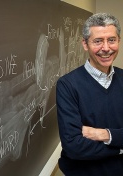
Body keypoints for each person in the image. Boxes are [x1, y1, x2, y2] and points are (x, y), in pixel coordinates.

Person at [56, 12, 123, 176]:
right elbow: (73, 146)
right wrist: (120, 147)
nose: (106, 48)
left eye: (111, 40)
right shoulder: (67, 85)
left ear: (119, 41)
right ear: (85, 44)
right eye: (98, 41)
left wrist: (102, 134)